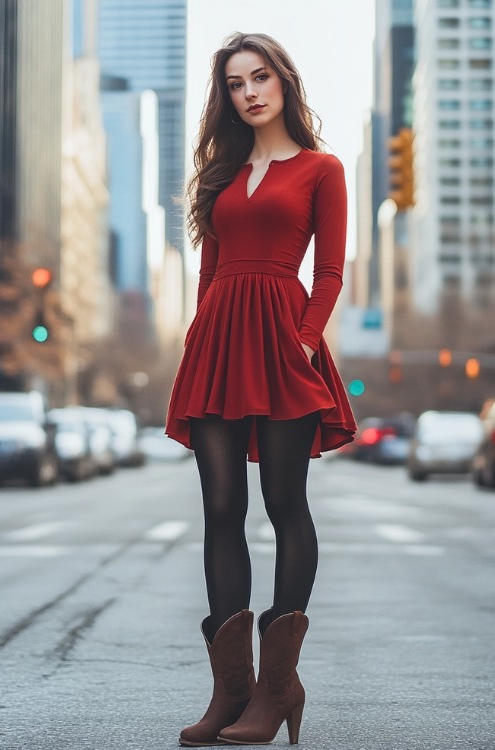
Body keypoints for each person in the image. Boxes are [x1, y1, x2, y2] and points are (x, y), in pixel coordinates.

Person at [166, 32, 356, 747]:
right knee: (220, 508)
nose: (249, 92)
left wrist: (304, 340)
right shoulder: (218, 174)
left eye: (260, 77)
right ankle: (231, 694)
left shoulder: (322, 169)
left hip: (282, 340)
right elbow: (210, 273)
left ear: (284, 81)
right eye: (236, 83)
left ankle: (278, 689)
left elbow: (330, 271)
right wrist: (196, 342)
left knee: (284, 503)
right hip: (217, 341)